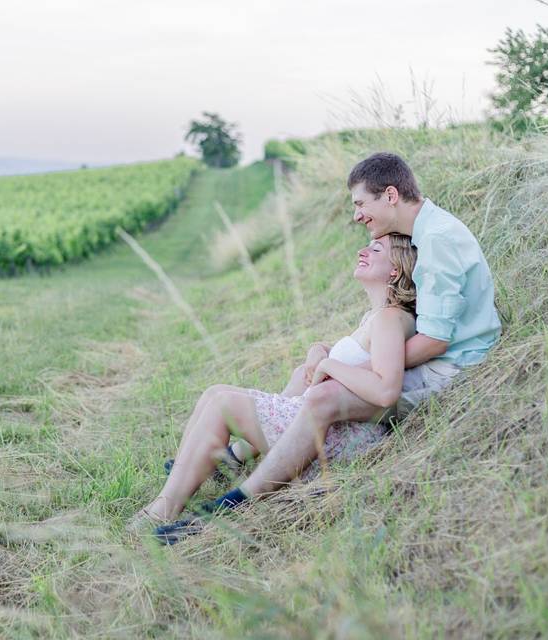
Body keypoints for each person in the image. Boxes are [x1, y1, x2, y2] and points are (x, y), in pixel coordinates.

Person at [144, 152, 502, 545]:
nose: (357, 216)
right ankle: (235, 457)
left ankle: (234, 501)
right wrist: (332, 356)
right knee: (306, 378)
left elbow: (435, 341)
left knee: (324, 393)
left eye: (361, 204)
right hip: (438, 358)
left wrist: (349, 366)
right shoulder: (424, 237)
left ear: (391, 195)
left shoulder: (435, 239)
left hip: (450, 369)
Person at [128, 232, 419, 538]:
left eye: (375, 249)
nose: (362, 250)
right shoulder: (375, 317)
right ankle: (183, 479)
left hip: (340, 438)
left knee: (222, 403)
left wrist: (329, 364)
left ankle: (163, 509)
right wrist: (320, 351)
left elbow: (385, 390)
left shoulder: (389, 318)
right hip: (327, 423)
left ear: (395, 270)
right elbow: (363, 360)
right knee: (214, 393)